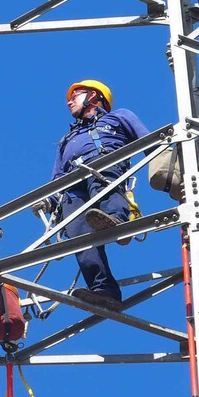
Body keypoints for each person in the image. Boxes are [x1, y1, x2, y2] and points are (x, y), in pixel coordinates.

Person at [32, 79, 149, 311]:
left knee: (102, 181)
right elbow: (57, 176)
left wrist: (168, 164)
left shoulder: (118, 117)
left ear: (94, 97)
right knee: (78, 235)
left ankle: (116, 221)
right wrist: (50, 200)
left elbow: (149, 140)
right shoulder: (67, 139)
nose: (69, 101)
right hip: (72, 184)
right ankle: (104, 290)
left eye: (76, 95)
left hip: (103, 164)